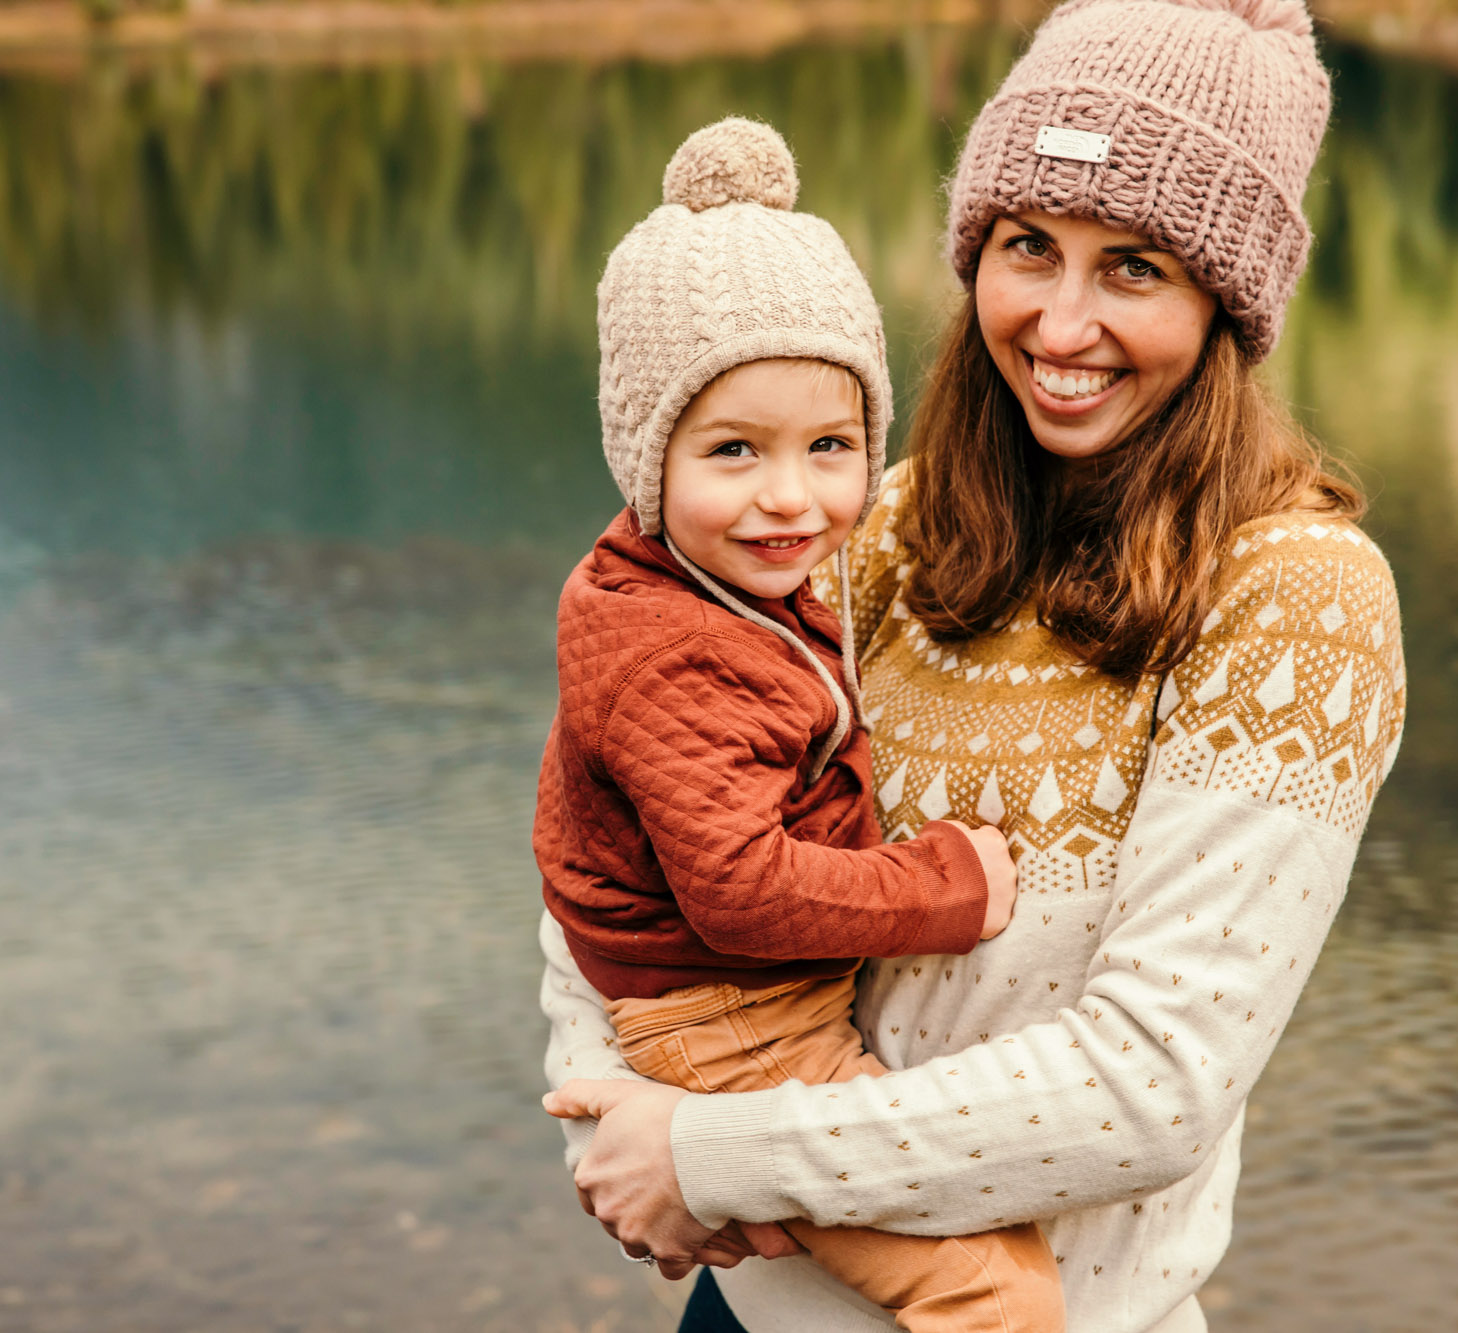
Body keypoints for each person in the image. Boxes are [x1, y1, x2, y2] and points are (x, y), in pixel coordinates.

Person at [540, 1, 1409, 1329]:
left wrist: (706, 1155)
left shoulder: (1294, 600)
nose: (1060, 324)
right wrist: (607, 1118)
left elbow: (1149, 1084)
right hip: (750, 1307)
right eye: (1028, 248)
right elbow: (621, 796)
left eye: (1136, 267)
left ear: (1227, 300)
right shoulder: (882, 524)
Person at [535, 118, 1067, 1332]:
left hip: (731, 1011)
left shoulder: (713, 582)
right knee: (998, 1300)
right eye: (733, 450)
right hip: (733, 1019)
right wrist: (943, 888)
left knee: (961, 1258)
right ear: (644, 456)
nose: (791, 496)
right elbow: (735, 890)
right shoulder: (671, 643)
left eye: (832, 448)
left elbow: (588, 818)